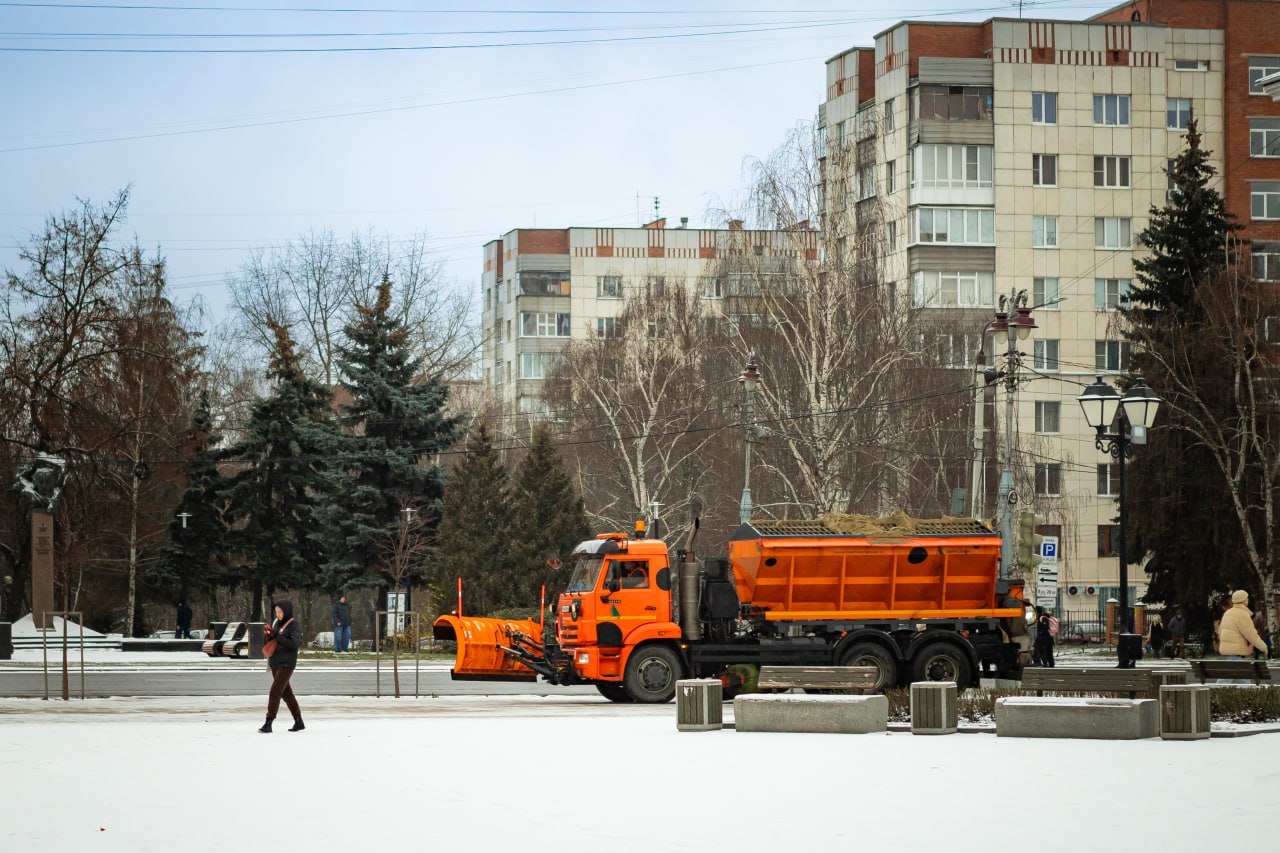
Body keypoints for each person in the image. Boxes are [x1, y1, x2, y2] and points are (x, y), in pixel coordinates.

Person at [260, 599, 304, 733]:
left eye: (280, 612)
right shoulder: (277, 623)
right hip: (275, 662)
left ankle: (269, 722)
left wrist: (276, 636)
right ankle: (298, 721)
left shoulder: (295, 625)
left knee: (275, 691)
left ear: (287, 611)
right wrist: (269, 635)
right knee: (286, 694)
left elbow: (293, 643)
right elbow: (274, 642)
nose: (278, 614)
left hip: (287, 663)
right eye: (276, 612)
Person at [1218, 589, 1267, 684]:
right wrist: (1263, 647)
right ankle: (1213, 695)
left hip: (1231, 652)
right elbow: (1252, 635)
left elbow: (1220, 632)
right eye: (1246, 598)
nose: (1248, 600)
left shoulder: (1228, 613)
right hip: (1236, 652)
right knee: (1224, 680)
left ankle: (1249, 697)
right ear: (1243, 600)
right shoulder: (1242, 614)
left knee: (1243, 681)